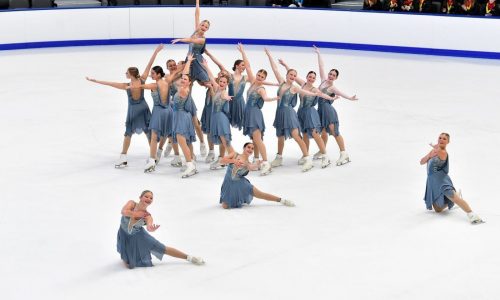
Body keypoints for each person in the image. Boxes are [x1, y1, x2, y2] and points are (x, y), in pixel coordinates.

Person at [86, 48, 158, 168]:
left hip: (134, 112)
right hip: (144, 109)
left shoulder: (127, 86)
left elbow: (110, 83)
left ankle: (124, 157)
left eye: (127, 73)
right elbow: (149, 65)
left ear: (131, 75)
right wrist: (156, 52)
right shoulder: (142, 80)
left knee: (128, 133)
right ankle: (153, 157)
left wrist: (95, 81)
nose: (125, 74)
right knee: (148, 133)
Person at [265, 48, 327, 172]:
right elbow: (275, 69)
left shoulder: (295, 88)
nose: (292, 77)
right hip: (280, 112)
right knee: (280, 136)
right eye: (291, 74)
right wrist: (269, 55)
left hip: (290, 113)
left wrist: (322, 95)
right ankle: (279, 157)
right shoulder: (282, 83)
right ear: (287, 75)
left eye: (294, 75)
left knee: (296, 135)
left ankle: (307, 158)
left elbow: (306, 92)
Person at [117, 190, 205, 268]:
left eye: (151, 198)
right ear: (140, 197)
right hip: (124, 233)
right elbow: (124, 211)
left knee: (162, 248)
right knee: (128, 265)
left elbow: (149, 226)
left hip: (138, 236)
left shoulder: (147, 216)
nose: (148, 199)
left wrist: (151, 228)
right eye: (146, 196)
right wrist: (137, 214)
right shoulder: (132, 203)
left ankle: (189, 257)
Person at [278, 59, 339, 168]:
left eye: (313, 78)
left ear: (315, 80)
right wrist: (285, 65)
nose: (311, 78)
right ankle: (305, 155)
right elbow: (293, 76)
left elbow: (321, 95)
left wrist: (331, 97)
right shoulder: (302, 84)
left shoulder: (314, 89)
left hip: (310, 113)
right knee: (305, 134)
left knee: (315, 134)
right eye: (309, 76)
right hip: (301, 112)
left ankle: (325, 156)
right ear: (307, 77)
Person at [420, 133, 484, 224]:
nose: (441, 140)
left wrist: (433, 148)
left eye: (444, 139)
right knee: (438, 210)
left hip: (441, 180)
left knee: (455, 198)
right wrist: (429, 155)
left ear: (448, 142)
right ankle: (455, 197)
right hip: (432, 181)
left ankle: (472, 215)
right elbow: (421, 162)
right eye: (440, 138)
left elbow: (436, 151)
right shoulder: (434, 150)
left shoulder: (442, 152)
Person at [238, 44, 279, 175]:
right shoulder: (253, 82)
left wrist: (275, 98)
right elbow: (248, 66)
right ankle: (257, 160)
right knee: (254, 139)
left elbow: (266, 99)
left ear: (264, 79)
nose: (259, 77)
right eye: (258, 75)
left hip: (255, 114)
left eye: (262, 77)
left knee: (258, 139)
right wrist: (243, 51)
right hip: (248, 113)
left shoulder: (261, 88)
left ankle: (266, 162)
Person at [313, 46, 358, 166]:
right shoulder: (323, 80)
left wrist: (350, 98)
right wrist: (318, 53)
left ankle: (344, 153)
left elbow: (342, 94)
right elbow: (321, 66)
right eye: (330, 73)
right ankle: (323, 150)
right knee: (323, 132)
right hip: (320, 110)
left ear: (336, 78)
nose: (331, 76)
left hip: (328, 111)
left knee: (334, 132)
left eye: (333, 75)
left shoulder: (332, 87)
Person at [220, 143, 295, 209]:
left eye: (252, 148)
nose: (250, 149)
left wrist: (257, 164)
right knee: (225, 206)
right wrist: (234, 161)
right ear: (244, 148)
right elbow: (222, 161)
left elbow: (251, 167)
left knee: (261, 194)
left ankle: (282, 200)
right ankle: (236, 196)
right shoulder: (235, 154)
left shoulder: (248, 163)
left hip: (241, 184)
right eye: (248, 147)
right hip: (229, 183)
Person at [201, 60, 235, 170]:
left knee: (226, 142)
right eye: (220, 81)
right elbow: (211, 76)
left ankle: (234, 162)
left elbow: (225, 96)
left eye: (224, 82)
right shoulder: (216, 88)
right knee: (224, 141)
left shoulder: (224, 92)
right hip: (215, 118)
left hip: (221, 118)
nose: (221, 83)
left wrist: (227, 98)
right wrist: (206, 66)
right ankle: (224, 160)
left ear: (227, 84)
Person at [171, 0, 210, 86]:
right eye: (202, 25)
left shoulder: (202, 39)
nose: (203, 27)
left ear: (207, 29)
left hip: (196, 60)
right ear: (200, 25)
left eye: (206, 27)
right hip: (189, 57)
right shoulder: (196, 30)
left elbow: (191, 40)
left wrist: (180, 39)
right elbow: (196, 15)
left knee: (205, 82)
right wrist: (197, 3)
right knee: (188, 81)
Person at [172, 55, 199, 178]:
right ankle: (191, 162)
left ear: (189, 82)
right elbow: (185, 73)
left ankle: (190, 165)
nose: (182, 80)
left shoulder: (183, 90)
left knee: (182, 141)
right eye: (182, 78)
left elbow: (185, 75)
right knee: (187, 142)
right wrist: (188, 62)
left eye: (185, 79)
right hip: (183, 116)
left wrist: (187, 63)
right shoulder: (184, 87)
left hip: (181, 116)